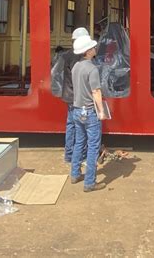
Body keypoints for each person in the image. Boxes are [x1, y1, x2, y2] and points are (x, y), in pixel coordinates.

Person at [70, 35, 106, 193]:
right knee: (93, 147)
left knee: (79, 143)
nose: (95, 48)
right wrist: (102, 112)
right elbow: (96, 91)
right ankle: (90, 182)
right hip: (90, 111)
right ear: (87, 51)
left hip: (77, 110)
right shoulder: (92, 68)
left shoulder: (76, 67)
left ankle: (75, 174)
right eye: (92, 47)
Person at [51, 27, 90, 163]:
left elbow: (54, 73)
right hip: (81, 96)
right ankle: (81, 156)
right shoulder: (85, 56)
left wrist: (59, 89)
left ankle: (69, 155)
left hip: (68, 95)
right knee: (82, 127)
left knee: (71, 124)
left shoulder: (65, 55)